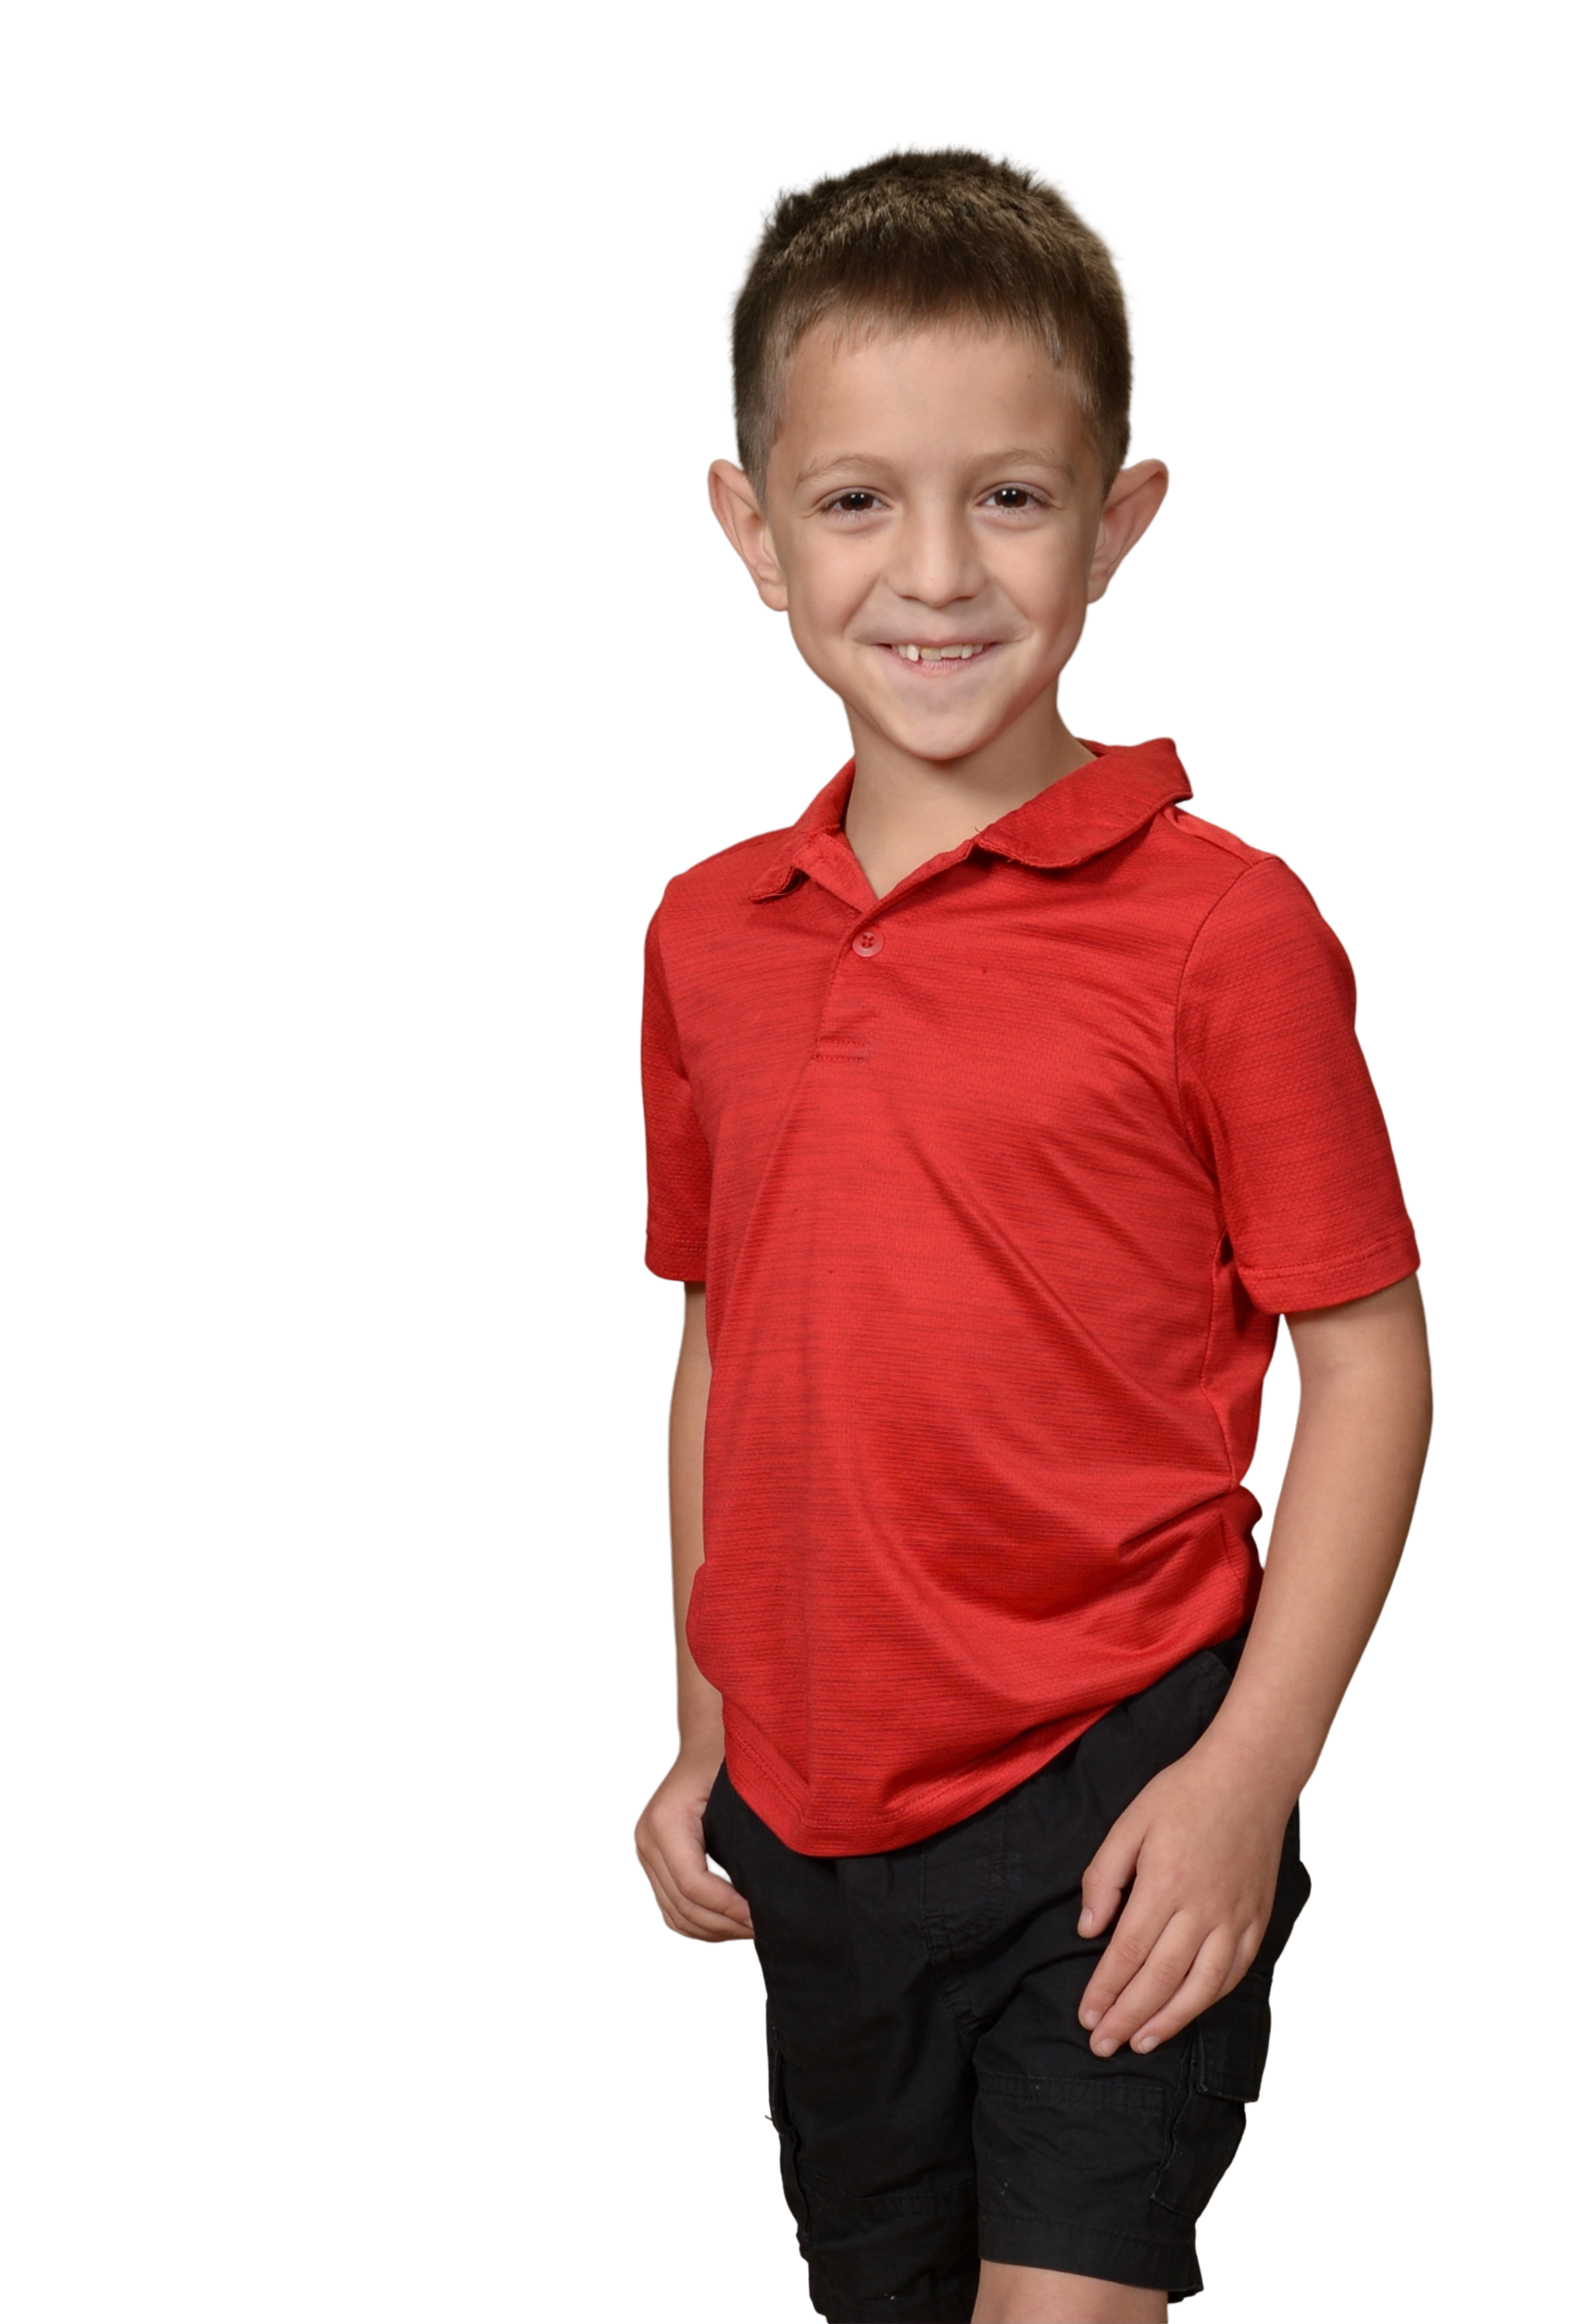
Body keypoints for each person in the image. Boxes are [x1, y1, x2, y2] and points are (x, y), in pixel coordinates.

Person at [630, 137, 1437, 2324]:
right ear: (752, 532)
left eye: (1009, 494)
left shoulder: (1228, 932)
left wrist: (1252, 1775)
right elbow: (730, 1344)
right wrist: (707, 1722)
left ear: (1120, 519)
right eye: (855, 498)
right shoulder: (709, 933)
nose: (936, 570)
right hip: (818, 1818)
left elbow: (1370, 1357)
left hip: (1119, 1787)